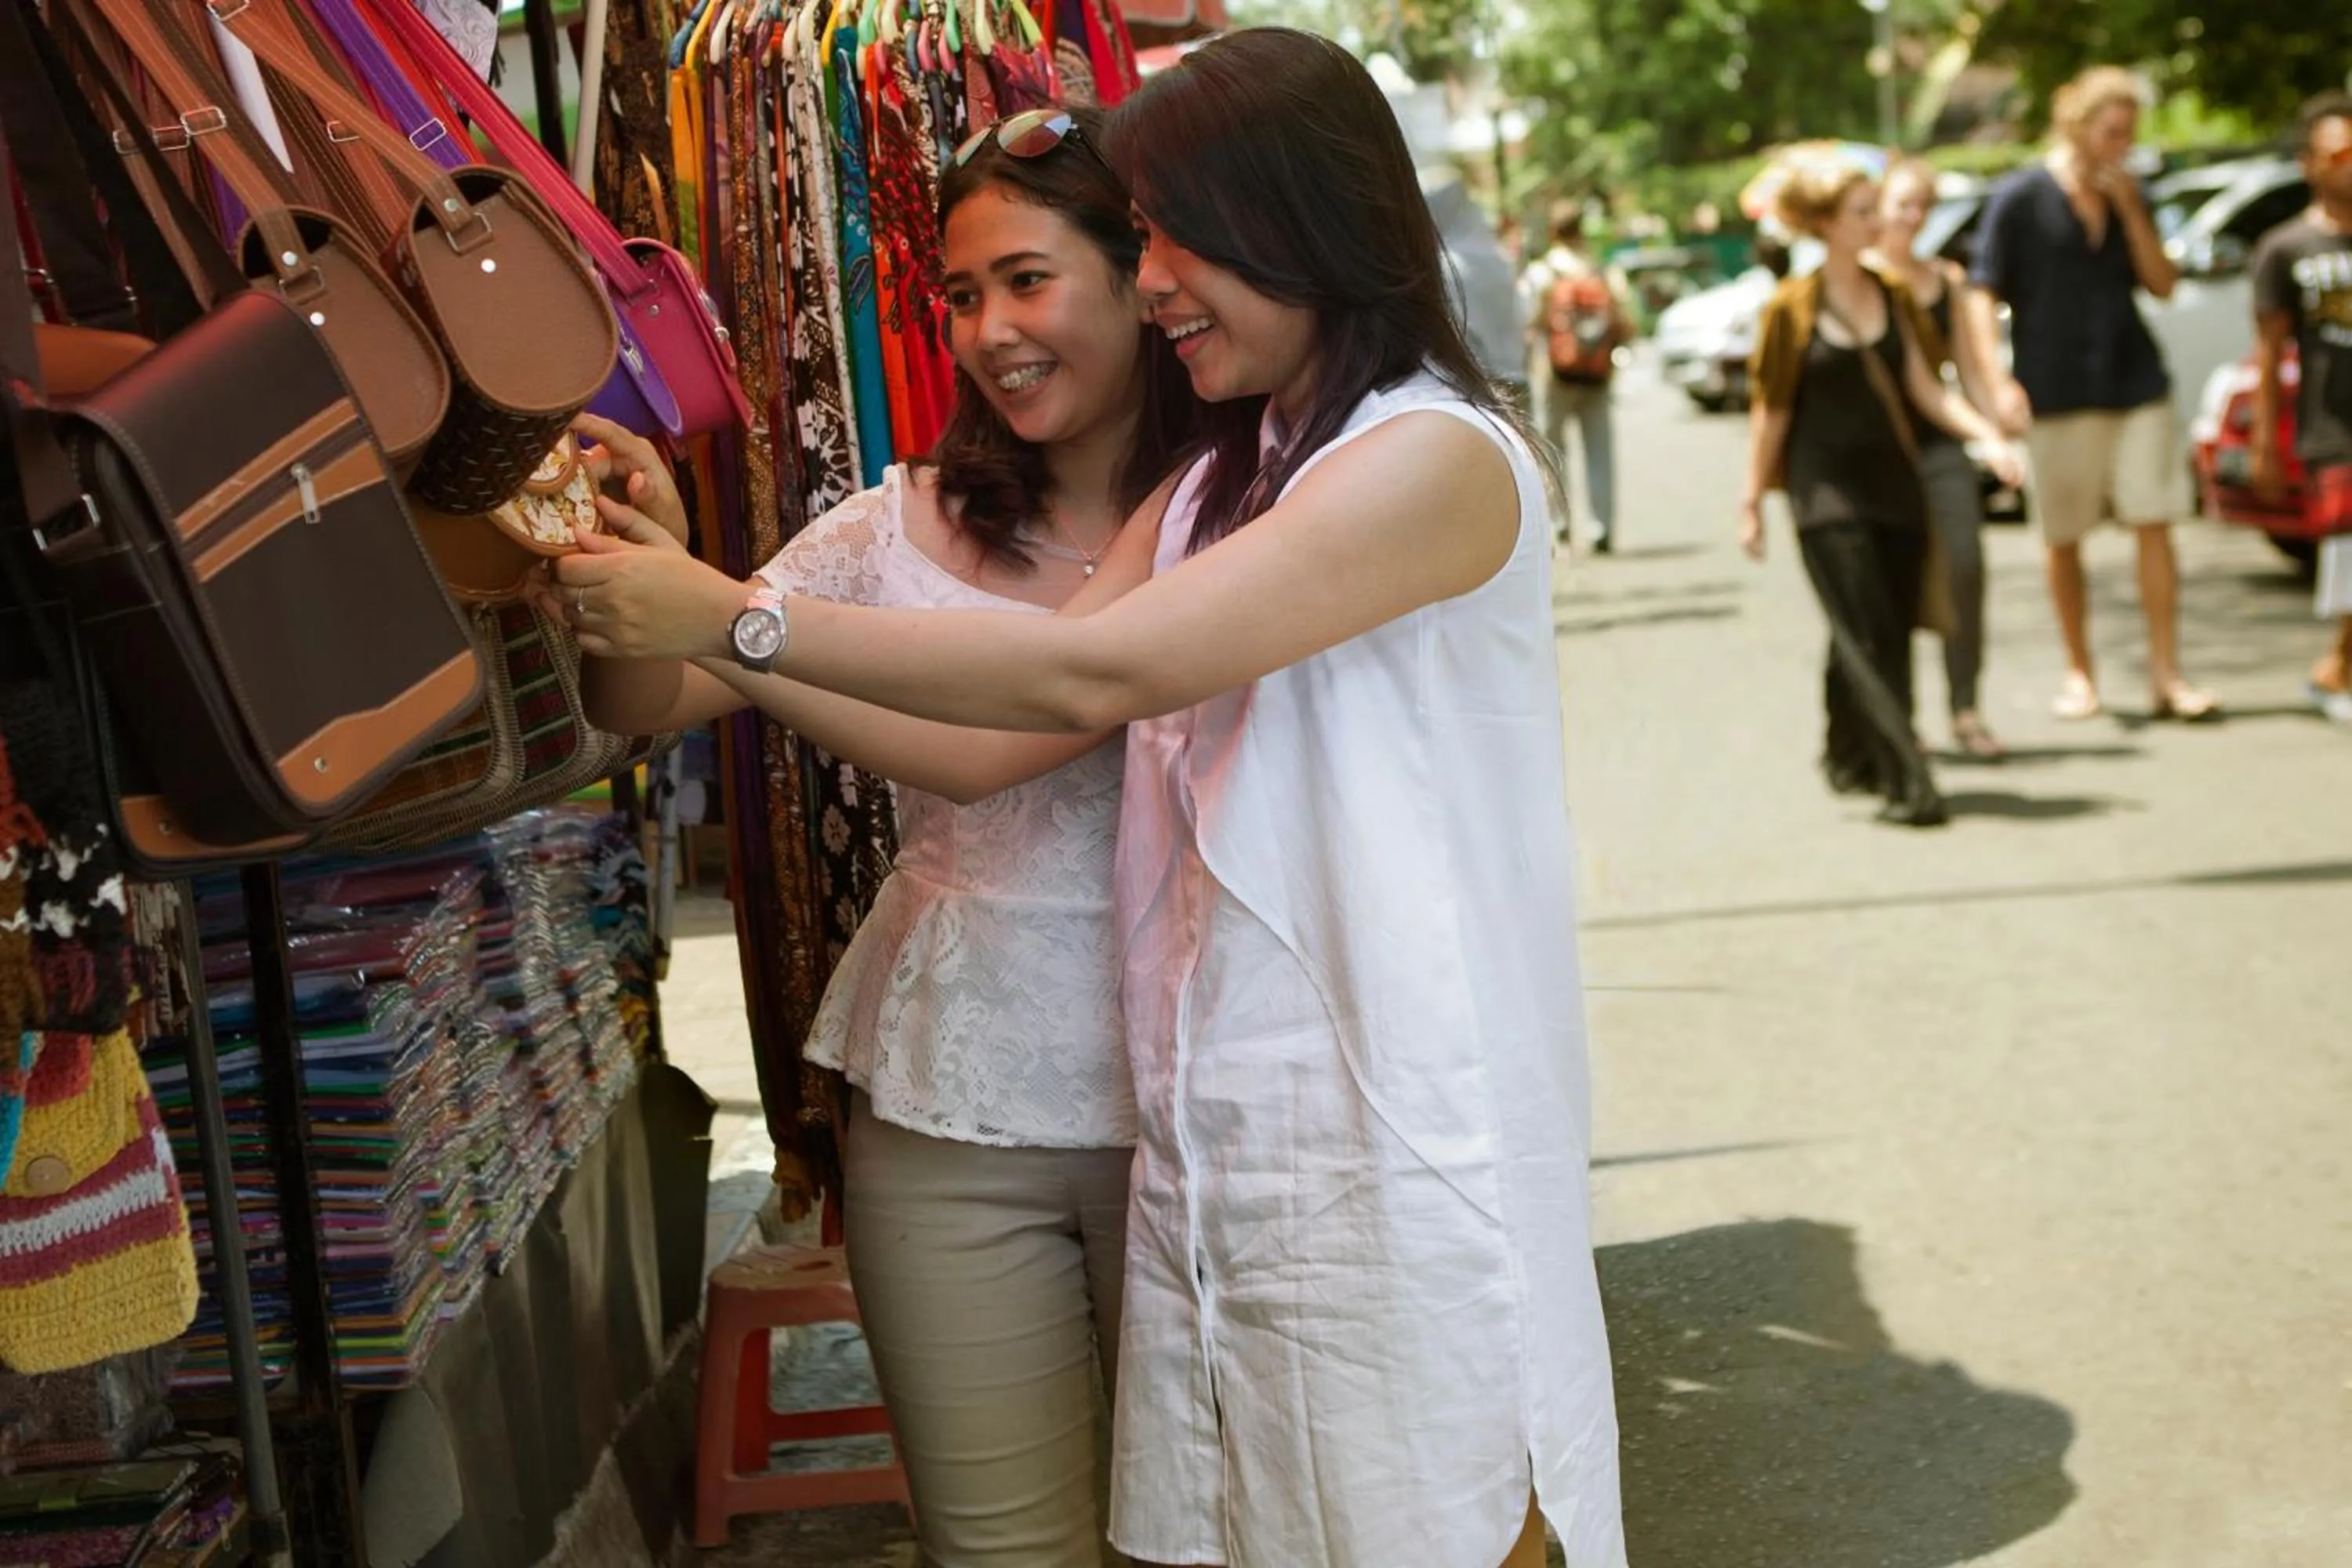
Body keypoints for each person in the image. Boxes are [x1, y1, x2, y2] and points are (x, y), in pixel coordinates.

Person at [557, 28, 1624, 1568]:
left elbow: (1079, 681)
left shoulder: (1429, 461)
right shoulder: (1225, 484)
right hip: (1231, 1130)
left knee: (1448, 1515)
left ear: (1295, 218)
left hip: (1405, 1131)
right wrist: (675, 603)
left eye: (1173, 236)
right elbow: (1008, 726)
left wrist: (727, 615)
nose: (1159, 278)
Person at [564, 106, 1196, 1566]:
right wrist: (632, 567)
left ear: (1141, 277)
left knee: (1208, 1543)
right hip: (948, 1110)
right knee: (996, 1548)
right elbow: (656, 695)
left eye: (1029, 281)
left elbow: (990, 748)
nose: (989, 333)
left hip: (1190, 1112)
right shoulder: (893, 523)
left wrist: (725, 609)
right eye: (961, 297)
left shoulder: (1229, 520)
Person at [1742, 155, 2024, 827]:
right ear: (1824, 225)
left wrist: (1985, 436)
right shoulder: (1791, 310)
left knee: (1885, 629)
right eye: (1862, 212)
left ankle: (1850, 754)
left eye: (1876, 209)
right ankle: (1909, 781)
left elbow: (1924, 387)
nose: (1877, 222)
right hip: (1825, 498)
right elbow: (1771, 409)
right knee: (1864, 629)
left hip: (1897, 490)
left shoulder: (1893, 296)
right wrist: (1752, 499)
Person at [1966, 65, 2220, 723]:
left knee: (2154, 520)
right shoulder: (2020, 198)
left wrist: (2133, 211)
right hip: (2054, 389)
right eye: (2113, 132)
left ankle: (2167, 673)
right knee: (2064, 536)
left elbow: (2162, 284)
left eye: (2130, 134)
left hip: (2135, 382)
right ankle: (2080, 672)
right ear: (2078, 125)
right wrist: (1996, 379)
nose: (2123, 145)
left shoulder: (2133, 192)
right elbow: (1980, 288)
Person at [1868, 158, 2008, 757]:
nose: (1913, 216)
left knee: (1966, 567)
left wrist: (1995, 432)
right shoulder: (1859, 279)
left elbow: (1971, 371)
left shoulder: (1944, 280)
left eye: (1923, 204)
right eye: (1903, 203)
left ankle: (1966, 706)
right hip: (1878, 449)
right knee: (1889, 582)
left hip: (1939, 441)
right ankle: (1901, 717)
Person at [2251, 92, 2352, 724]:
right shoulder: (2284, 248)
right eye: (2340, 151)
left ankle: (2336, 666)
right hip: (2332, 424)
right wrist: (2267, 440)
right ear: (2309, 163)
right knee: (2348, 550)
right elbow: (2266, 353)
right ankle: (2338, 669)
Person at [1522, 201, 1632, 552]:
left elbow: (1532, 322)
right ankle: (1602, 525)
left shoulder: (1543, 272)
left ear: (1553, 232)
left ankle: (1561, 521)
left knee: (1554, 450)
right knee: (1599, 449)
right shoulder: (1601, 269)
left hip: (1555, 374)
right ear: (1582, 230)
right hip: (1598, 373)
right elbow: (1625, 322)